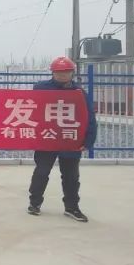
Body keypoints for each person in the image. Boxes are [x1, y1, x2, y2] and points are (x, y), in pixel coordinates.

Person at [28, 56, 98, 222]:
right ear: (52, 73)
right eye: (58, 72)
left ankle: (72, 207)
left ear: (72, 73)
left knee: (71, 176)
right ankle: (34, 203)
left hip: (70, 138)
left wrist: (88, 141)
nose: (62, 75)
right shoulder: (41, 89)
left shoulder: (79, 93)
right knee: (41, 172)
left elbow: (89, 117)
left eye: (66, 72)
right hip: (47, 138)